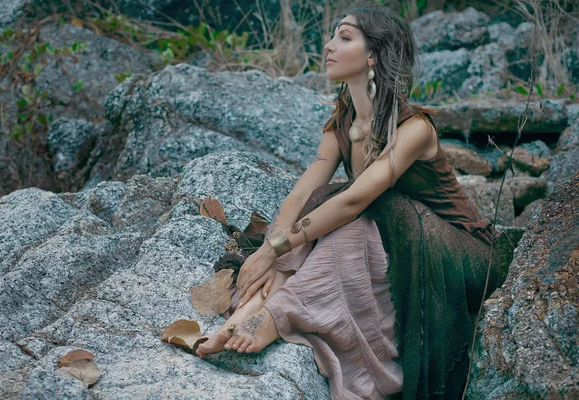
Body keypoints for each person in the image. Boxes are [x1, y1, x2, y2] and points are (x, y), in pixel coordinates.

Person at [196, 2, 504, 398]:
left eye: (343, 38)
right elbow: (305, 190)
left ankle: (279, 314)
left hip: (455, 256)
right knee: (322, 202)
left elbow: (355, 201)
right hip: (396, 241)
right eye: (332, 36)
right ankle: (247, 313)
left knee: (357, 213)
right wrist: (268, 254)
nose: (328, 46)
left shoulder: (414, 129)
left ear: (373, 55)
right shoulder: (343, 121)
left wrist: (274, 248)